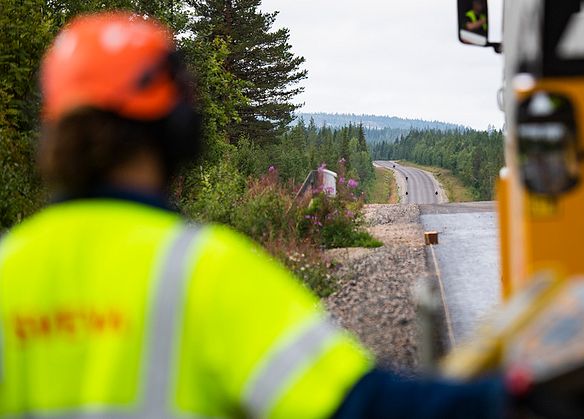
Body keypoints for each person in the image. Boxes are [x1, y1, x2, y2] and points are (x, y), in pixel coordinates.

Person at [0, 12, 518, 418]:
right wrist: (512, 397)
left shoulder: (10, 268)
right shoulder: (202, 269)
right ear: (175, 128)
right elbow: (357, 404)